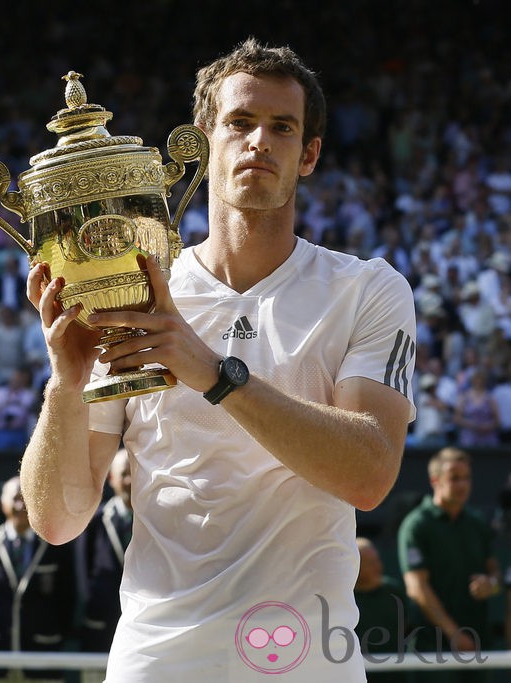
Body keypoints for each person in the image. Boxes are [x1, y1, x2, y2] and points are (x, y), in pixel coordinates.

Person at [20, 38, 416, 682]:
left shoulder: (367, 288)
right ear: (203, 142)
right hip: (159, 658)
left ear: (308, 154)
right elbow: (58, 520)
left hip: (305, 661)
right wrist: (64, 383)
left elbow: (369, 474)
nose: (259, 140)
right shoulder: (134, 292)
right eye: (239, 122)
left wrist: (211, 372)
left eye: (281, 127)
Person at [397, 448, 499, 682]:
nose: (463, 485)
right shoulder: (417, 526)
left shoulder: (477, 523)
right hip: (433, 648)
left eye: (467, 478)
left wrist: (490, 585)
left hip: (477, 644)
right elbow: (417, 588)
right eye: (454, 478)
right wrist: (455, 635)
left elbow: (495, 575)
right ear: (435, 480)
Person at [0, 476, 76, 683]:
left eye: (26, 498)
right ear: (2, 503)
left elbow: (68, 599)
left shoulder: (56, 546)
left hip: (43, 655)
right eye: (15, 498)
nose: (20, 505)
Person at [75, 449, 132, 683]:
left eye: (134, 473)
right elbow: (82, 569)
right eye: (124, 474)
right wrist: (91, 606)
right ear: (112, 479)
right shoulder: (95, 521)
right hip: (101, 627)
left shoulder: (158, 519)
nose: (130, 480)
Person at [354, 537, 408, 683]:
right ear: (355, 566)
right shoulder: (344, 599)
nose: (378, 567)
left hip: (395, 674)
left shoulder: (394, 591)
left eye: (377, 560)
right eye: (370, 563)